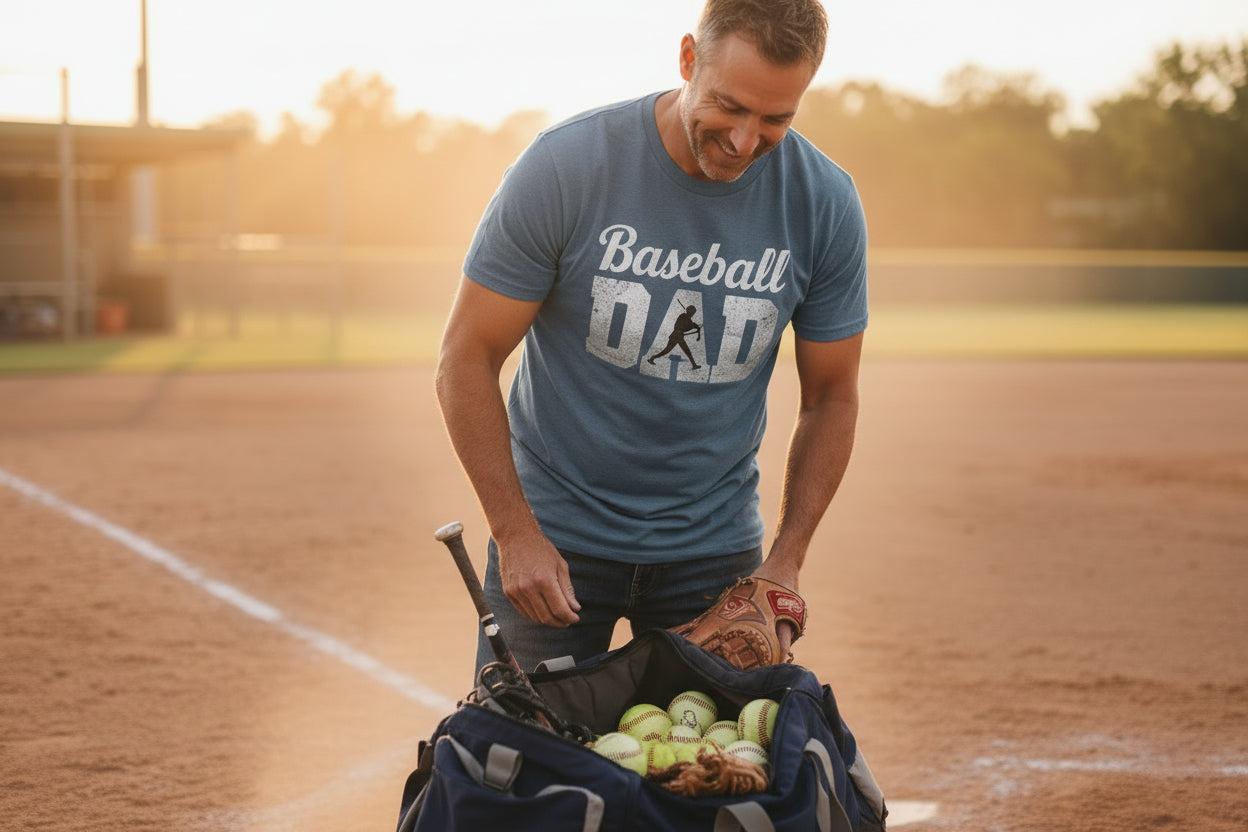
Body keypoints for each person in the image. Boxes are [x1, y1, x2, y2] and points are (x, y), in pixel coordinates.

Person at [436, 0, 868, 677]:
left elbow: (833, 396)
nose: (745, 141)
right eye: (729, 106)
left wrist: (785, 562)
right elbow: (466, 357)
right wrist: (515, 533)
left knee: (707, 772)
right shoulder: (568, 166)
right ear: (688, 59)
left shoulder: (825, 203)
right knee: (521, 767)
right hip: (553, 543)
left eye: (776, 118)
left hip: (713, 560)